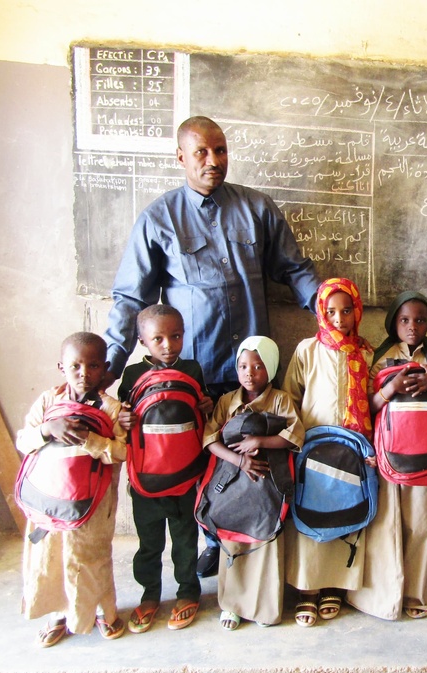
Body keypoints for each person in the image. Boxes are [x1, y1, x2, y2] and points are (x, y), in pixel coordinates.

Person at [102, 115, 320, 577]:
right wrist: (110, 363)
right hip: (194, 369)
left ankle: (260, 534)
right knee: (203, 452)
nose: (213, 161)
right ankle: (210, 534)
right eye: (201, 152)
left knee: (260, 452)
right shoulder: (158, 219)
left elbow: (295, 269)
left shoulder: (257, 208)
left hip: (252, 367)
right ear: (180, 157)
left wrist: (328, 310)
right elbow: (130, 297)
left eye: (219, 150)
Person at [347, 291, 427, 620]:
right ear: (393, 322)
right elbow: (365, 407)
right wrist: (391, 389)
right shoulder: (379, 356)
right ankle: (384, 596)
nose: (412, 326)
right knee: (386, 524)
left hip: (425, 454)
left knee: (421, 523)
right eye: (404, 320)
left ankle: (418, 595)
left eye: (420, 320)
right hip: (387, 452)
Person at [17, 332, 126, 647]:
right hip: (50, 496)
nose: (84, 374)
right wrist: (47, 430)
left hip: (94, 500)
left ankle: (104, 612)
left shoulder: (110, 409)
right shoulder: (49, 401)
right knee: (51, 556)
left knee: (91, 555)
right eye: (75, 366)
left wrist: (89, 440)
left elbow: (122, 451)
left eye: (93, 366)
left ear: (104, 368)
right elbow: (23, 441)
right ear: (61, 367)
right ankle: (59, 614)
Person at [281, 278, 375, 626]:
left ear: (356, 311)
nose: (339, 318)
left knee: (345, 513)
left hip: (352, 449)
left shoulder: (365, 352)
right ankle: (308, 589)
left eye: (346, 310)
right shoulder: (307, 349)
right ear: (321, 312)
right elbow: (291, 397)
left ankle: (335, 585)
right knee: (312, 512)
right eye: (331, 311)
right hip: (313, 448)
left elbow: (370, 399)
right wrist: (295, 441)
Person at [116, 305, 214, 633]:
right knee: (149, 543)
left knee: (186, 540)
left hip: (186, 475)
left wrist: (207, 404)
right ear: (143, 341)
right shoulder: (131, 375)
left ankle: (187, 592)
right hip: (147, 478)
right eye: (157, 338)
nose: (168, 344)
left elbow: (203, 411)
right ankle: (150, 595)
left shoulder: (192, 368)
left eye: (175, 336)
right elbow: (121, 417)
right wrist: (122, 417)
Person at [202, 336, 305, 629]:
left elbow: (296, 435)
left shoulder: (281, 399)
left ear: (271, 368)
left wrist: (261, 440)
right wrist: (239, 460)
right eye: (244, 366)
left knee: (265, 542)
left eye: (258, 366)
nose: (250, 373)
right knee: (233, 541)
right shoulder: (226, 402)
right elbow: (209, 438)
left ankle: (265, 606)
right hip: (233, 484)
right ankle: (232, 605)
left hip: (269, 486)